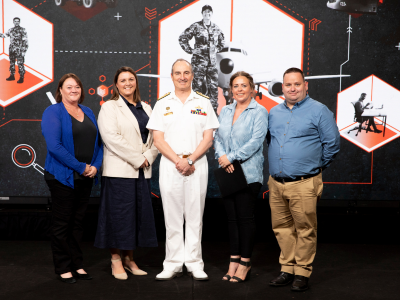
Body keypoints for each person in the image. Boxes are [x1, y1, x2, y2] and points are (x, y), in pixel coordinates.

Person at [267, 67, 340, 292]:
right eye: (288, 85)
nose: (292, 89)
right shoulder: (274, 112)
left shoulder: (319, 111)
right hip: (276, 183)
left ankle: (302, 272)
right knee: (282, 228)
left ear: (305, 85)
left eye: (297, 84)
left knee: (305, 229)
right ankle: (287, 269)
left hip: (304, 182)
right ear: (283, 87)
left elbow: (333, 144)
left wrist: (314, 168)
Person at [147, 59, 219, 281]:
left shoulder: (204, 102)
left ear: (192, 75)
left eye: (186, 73)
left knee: (195, 216)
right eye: (178, 73)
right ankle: (173, 263)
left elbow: (208, 138)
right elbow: (157, 139)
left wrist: (191, 159)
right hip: (171, 165)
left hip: (197, 164)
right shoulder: (162, 104)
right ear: (172, 76)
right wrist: (179, 160)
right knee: (172, 217)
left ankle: (195, 263)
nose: (182, 77)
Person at [94, 67, 159, 280]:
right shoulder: (110, 107)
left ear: (136, 83)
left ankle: (130, 259)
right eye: (123, 80)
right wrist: (139, 159)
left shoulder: (147, 108)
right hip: (119, 172)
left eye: (131, 79)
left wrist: (149, 155)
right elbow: (111, 138)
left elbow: (157, 138)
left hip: (142, 172)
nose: (128, 83)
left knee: (135, 217)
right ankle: (115, 260)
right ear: (116, 84)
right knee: (118, 217)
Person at [41, 73, 103, 283]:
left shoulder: (88, 111)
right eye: (69, 87)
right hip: (61, 176)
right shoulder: (53, 111)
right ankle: (63, 267)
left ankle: (77, 264)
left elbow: (99, 144)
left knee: (77, 223)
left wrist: (94, 166)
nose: (74, 90)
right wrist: (80, 167)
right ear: (60, 91)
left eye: (77, 86)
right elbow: (54, 147)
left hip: (85, 176)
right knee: (62, 223)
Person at [214, 71, 269, 283]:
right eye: (235, 86)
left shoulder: (260, 111)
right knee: (232, 220)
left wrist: (231, 158)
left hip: (248, 174)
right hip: (228, 172)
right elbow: (217, 137)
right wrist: (222, 157)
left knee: (245, 219)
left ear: (252, 89)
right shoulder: (225, 111)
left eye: (243, 85)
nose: (239, 89)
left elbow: (256, 142)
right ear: (231, 90)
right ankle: (233, 261)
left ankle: (245, 263)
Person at [179, 5, 225, 114]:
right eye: (205, 12)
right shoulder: (196, 26)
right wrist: (190, 50)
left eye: (209, 13)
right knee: (197, 87)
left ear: (211, 14)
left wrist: (215, 50)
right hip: (199, 63)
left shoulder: (216, 28)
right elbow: (182, 38)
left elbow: (222, 42)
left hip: (212, 64)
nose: (207, 14)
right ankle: (197, 111)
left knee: (213, 88)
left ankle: (213, 112)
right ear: (202, 14)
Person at [0, 17, 28, 83]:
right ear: (13, 22)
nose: (16, 22)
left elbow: (25, 41)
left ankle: (21, 77)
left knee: (20, 63)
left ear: (19, 22)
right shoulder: (11, 30)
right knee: (12, 63)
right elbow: (4, 35)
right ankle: (12, 76)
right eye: (15, 21)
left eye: (18, 21)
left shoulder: (22, 30)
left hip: (19, 49)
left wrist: (24, 50)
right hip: (12, 49)